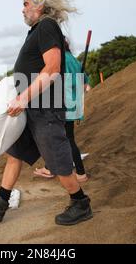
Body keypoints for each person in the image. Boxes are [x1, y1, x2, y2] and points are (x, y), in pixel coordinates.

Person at [0, 0, 93, 226]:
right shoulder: (37, 30)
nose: (22, 9)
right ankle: (0, 202)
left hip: (45, 108)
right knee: (15, 154)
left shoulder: (47, 26)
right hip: (32, 108)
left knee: (57, 159)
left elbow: (53, 67)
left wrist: (24, 97)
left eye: (25, 4)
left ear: (39, 3)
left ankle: (80, 203)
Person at [34, 39, 91, 182]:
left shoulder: (59, 59)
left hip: (62, 105)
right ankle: (75, 171)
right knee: (64, 138)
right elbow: (85, 85)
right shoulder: (74, 60)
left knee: (60, 138)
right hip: (72, 105)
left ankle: (78, 172)